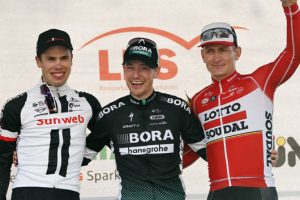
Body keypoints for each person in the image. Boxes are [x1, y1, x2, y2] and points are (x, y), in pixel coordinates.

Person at [190, 0, 300, 199]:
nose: (216, 58)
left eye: (223, 50)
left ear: (237, 53)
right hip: (216, 193)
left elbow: (293, 54)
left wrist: (291, 7)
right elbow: (193, 149)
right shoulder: (197, 100)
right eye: (210, 51)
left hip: (257, 190)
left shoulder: (259, 82)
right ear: (203, 56)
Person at [82, 37, 207, 200]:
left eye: (144, 68)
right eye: (130, 67)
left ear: (157, 71)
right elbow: (79, 158)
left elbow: (211, 153)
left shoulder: (177, 109)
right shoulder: (110, 115)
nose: (136, 75)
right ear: (123, 70)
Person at [0, 29, 101, 200]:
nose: (58, 65)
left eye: (64, 58)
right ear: (38, 61)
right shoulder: (17, 105)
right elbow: (2, 158)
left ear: (72, 59)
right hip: (27, 191)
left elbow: (106, 133)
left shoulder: (87, 102)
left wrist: (80, 157)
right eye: (51, 59)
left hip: (68, 192)